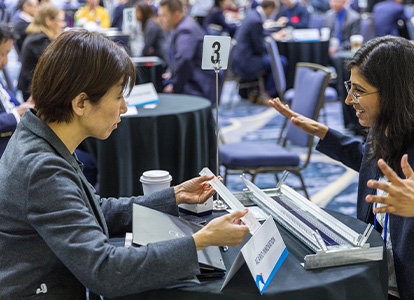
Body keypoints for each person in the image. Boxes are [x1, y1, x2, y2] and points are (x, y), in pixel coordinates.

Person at [0, 30, 250, 298]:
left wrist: (174, 196)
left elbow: (93, 211)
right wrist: (202, 241)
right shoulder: (42, 169)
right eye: (118, 96)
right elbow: (106, 272)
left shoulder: (41, 137)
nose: (124, 107)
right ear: (81, 103)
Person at [268, 36, 414, 299]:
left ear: (393, 92)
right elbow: (375, 165)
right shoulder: (383, 126)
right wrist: (326, 134)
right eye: (350, 86)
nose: (349, 100)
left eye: (358, 90)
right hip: (389, 279)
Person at [158, 0, 217, 104]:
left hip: (198, 86)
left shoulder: (185, 30)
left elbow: (184, 60)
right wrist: (172, 73)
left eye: (163, 16)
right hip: (195, 79)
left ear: (176, 16)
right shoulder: (184, 25)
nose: (160, 20)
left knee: (160, 91)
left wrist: (175, 87)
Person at [231, 0, 285, 102]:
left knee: (272, 60)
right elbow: (259, 48)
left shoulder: (252, 15)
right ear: (269, 8)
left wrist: (271, 35)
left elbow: (259, 34)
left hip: (239, 59)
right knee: (280, 61)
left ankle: (258, 91)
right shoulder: (256, 21)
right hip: (247, 62)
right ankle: (269, 94)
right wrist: (271, 39)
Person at [323, 0, 362, 135]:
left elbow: (353, 40)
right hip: (330, 53)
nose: (333, 3)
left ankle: (355, 123)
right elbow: (326, 35)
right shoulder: (328, 16)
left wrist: (337, 48)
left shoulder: (354, 17)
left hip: (345, 55)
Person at [18, 4, 66, 101]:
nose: (63, 25)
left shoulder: (40, 37)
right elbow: (56, 64)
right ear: (48, 21)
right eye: (60, 21)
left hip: (37, 87)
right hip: (32, 93)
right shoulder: (39, 40)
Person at [0, 26, 34, 158]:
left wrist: (26, 106)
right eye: (3, 54)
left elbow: (10, 104)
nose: (6, 61)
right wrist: (17, 113)